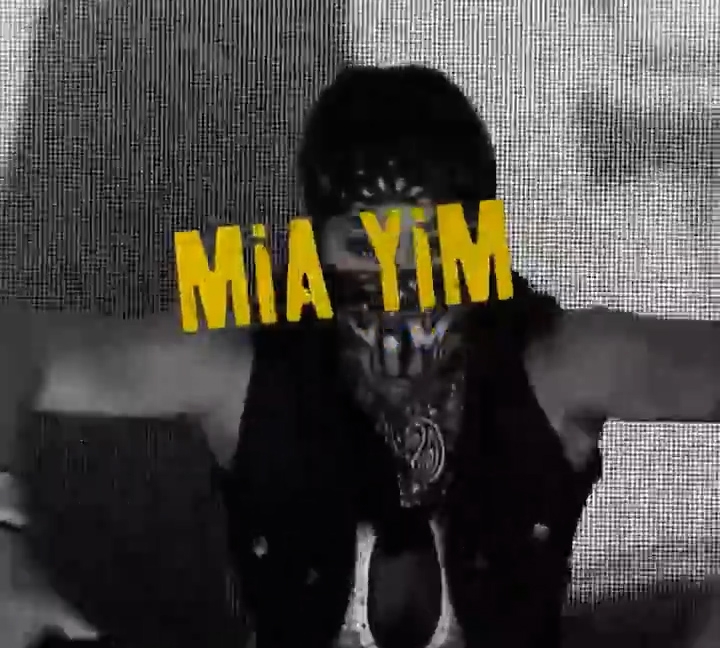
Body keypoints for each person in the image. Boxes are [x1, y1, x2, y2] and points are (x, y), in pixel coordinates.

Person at [22, 64, 719, 648]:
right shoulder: (242, 367)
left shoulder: (554, 363)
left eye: (432, 246)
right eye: (363, 247)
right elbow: (19, 349)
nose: (399, 288)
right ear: (315, 252)